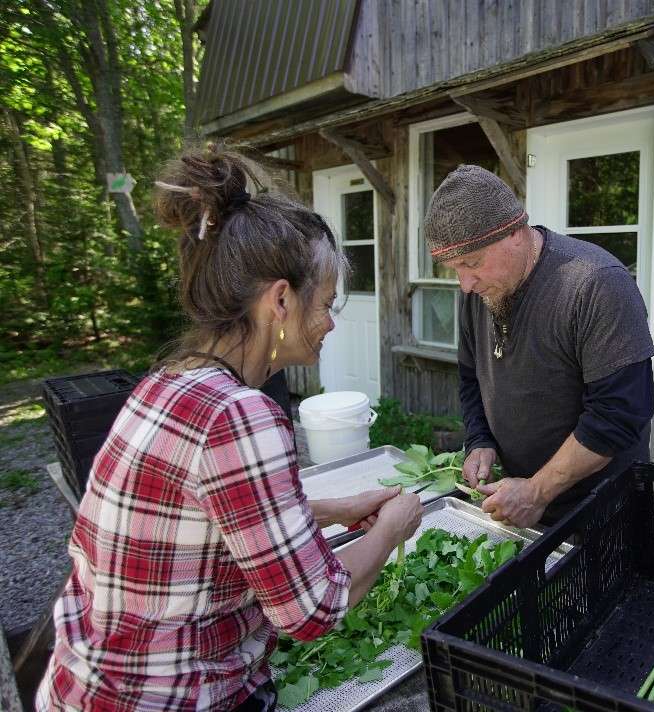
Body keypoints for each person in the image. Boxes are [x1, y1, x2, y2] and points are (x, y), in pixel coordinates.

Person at [36, 145, 423, 712]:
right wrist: (389, 529)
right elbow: (312, 611)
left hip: (84, 687)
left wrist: (336, 510)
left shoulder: (170, 382)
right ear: (281, 301)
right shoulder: (240, 415)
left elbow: (204, 520)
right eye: (326, 303)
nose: (332, 322)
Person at [423, 164, 654, 528]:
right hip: (520, 502)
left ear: (515, 232)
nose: (465, 284)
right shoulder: (476, 293)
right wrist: (480, 439)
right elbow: (471, 376)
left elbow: (618, 415)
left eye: (472, 263)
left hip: (603, 509)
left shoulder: (597, 285)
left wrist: (537, 492)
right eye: (455, 269)